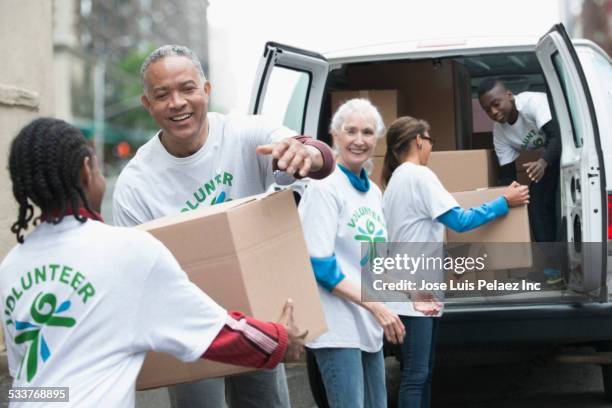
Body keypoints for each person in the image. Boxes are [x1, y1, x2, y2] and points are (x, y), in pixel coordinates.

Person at [0, 118, 307, 408]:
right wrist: (281, 339)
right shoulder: (125, 250)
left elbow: (26, 378)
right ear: (85, 171)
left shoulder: (11, 266)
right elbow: (215, 332)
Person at [112, 45, 335, 408]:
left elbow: (315, 156)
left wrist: (308, 154)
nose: (177, 103)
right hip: (189, 329)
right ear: (147, 104)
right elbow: (135, 277)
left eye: (187, 88)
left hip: (258, 317)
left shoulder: (246, 133)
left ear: (207, 90)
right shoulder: (136, 185)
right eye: (162, 95)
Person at [381, 116, 530, 408]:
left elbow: (419, 232)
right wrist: (504, 201)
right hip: (416, 292)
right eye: (430, 140)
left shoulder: (395, 181)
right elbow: (460, 221)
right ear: (418, 140)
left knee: (423, 371)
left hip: (414, 289)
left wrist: (449, 263)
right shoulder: (419, 176)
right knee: (416, 373)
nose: (430, 148)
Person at [298, 98, 405, 408]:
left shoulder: (372, 191)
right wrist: (377, 307)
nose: (359, 140)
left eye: (368, 132)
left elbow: (375, 257)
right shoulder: (323, 187)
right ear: (335, 135)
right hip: (337, 328)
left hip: (367, 325)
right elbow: (320, 265)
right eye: (351, 131)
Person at [478, 79, 562, 287]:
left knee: (543, 202)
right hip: (549, 161)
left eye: (496, 104)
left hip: (568, 149)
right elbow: (508, 175)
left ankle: (558, 267)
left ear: (509, 95)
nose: (494, 112)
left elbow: (557, 137)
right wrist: (504, 199)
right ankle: (554, 268)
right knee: (534, 205)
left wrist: (542, 162)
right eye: (487, 109)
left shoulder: (532, 103)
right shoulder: (500, 132)